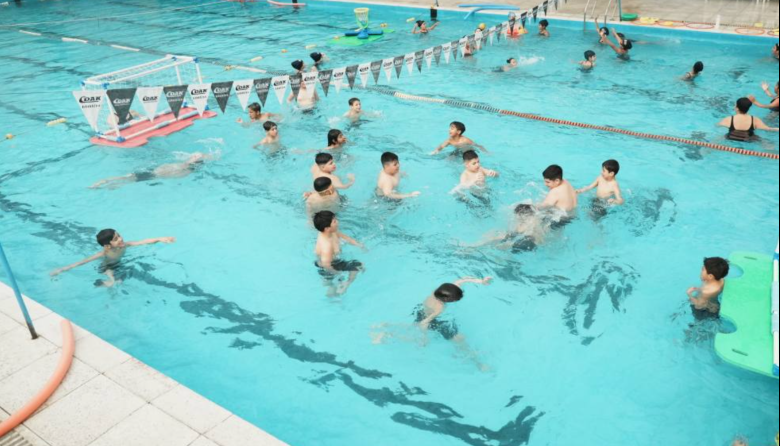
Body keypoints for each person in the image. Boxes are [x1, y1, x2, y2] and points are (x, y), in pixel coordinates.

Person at [50, 229, 175, 287]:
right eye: (116, 239)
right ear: (107, 245)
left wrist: (160, 238)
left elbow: (143, 241)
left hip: (119, 264)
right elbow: (82, 262)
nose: (120, 239)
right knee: (111, 275)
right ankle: (109, 281)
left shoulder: (125, 244)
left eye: (119, 235)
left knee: (120, 279)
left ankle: (111, 282)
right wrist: (61, 269)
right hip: (106, 266)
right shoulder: (104, 254)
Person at [90, 152, 215, 189]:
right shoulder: (186, 169)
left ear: (194, 161)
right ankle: (112, 184)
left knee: (127, 178)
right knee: (129, 180)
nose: (191, 156)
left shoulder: (184, 168)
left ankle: (105, 181)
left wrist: (200, 158)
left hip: (152, 173)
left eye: (193, 157)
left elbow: (203, 157)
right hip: (154, 174)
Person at [313, 211, 364, 297]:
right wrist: (338, 273)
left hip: (331, 263)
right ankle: (346, 284)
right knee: (358, 265)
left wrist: (359, 245)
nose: (337, 222)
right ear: (327, 228)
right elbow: (326, 265)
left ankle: (335, 291)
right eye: (334, 221)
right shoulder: (327, 246)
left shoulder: (331, 232)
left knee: (331, 286)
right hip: (329, 267)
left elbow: (345, 237)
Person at [465, 204, 546, 253]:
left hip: (528, 243)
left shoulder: (532, 222)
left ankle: (477, 248)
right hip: (524, 240)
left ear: (521, 215)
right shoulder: (530, 219)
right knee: (496, 235)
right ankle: (476, 247)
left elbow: (530, 235)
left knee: (501, 243)